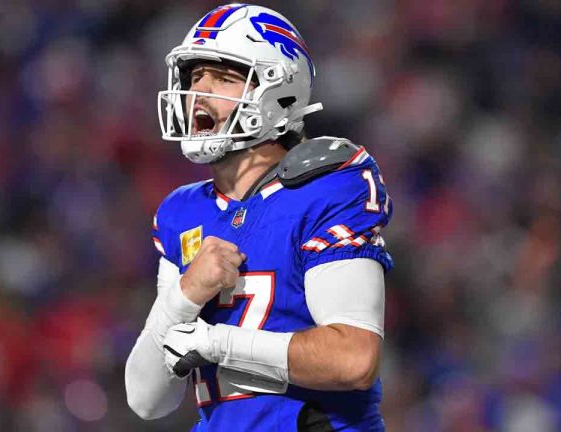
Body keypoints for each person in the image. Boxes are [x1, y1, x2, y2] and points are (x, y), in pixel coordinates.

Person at [125, 4, 393, 431]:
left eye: (224, 77)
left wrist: (215, 342)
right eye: (195, 77)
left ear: (278, 94)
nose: (199, 91)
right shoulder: (182, 211)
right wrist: (186, 294)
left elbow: (353, 358)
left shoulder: (327, 187)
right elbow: (145, 398)